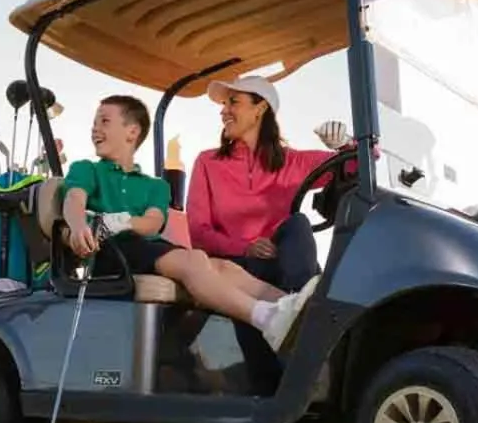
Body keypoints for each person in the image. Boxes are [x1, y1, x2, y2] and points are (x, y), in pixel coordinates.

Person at [60, 95, 314, 355]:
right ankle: (267, 318)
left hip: (145, 247)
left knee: (224, 267)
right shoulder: (87, 169)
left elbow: (152, 224)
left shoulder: (155, 186)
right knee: (194, 260)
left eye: (104, 121)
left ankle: (299, 310)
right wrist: (79, 225)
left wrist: (121, 220)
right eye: (94, 122)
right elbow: (73, 199)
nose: (95, 128)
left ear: (132, 132)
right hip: (111, 252)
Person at [186, 75, 356, 294]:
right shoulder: (207, 162)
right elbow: (199, 233)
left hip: (283, 266)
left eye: (233, 102)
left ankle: (298, 303)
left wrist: (346, 144)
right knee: (313, 278)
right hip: (234, 268)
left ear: (260, 108)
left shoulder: (292, 162)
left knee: (298, 224)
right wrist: (246, 248)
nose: (224, 111)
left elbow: (361, 161)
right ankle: (300, 309)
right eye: (224, 104)